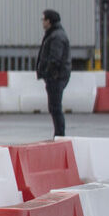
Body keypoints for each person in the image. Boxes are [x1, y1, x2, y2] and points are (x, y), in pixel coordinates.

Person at [36, 8, 71, 137]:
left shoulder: (56, 36)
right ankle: (59, 134)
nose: (42, 22)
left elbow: (55, 59)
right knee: (54, 107)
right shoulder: (54, 34)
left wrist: (48, 73)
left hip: (56, 77)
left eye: (43, 19)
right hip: (55, 76)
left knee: (55, 107)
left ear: (49, 21)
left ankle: (59, 135)